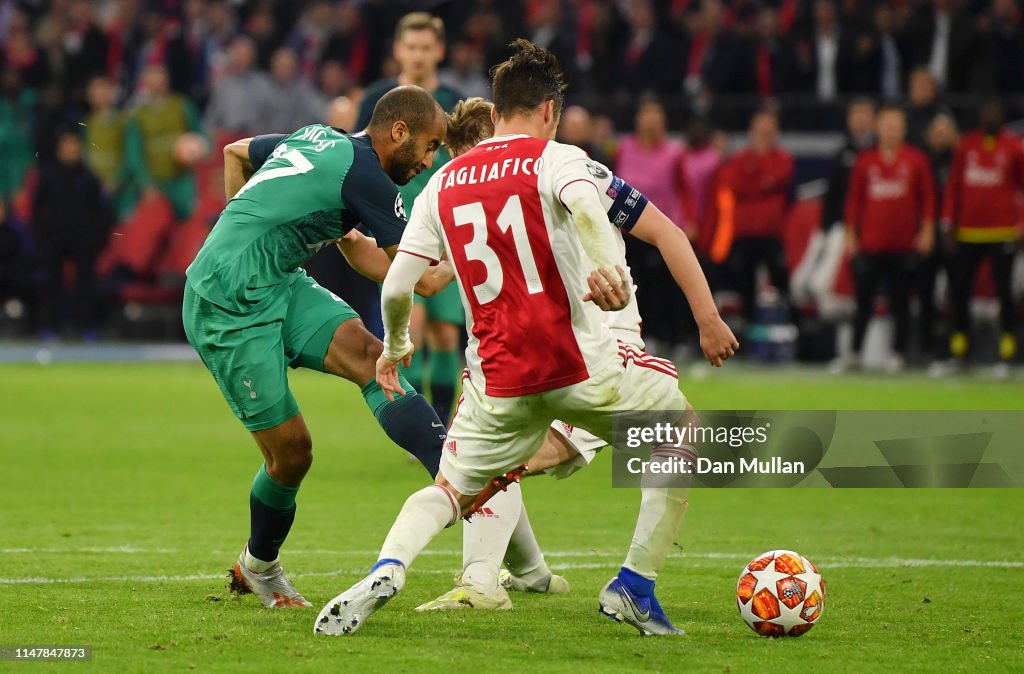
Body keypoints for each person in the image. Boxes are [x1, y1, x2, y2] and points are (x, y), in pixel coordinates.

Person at [314, 39, 737, 639]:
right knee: (681, 436)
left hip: (498, 379)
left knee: (450, 487)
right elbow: (588, 207)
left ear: (491, 110)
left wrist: (395, 345)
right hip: (581, 362)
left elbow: (406, 284)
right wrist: (607, 270)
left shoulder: (445, 182)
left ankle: (391, 567)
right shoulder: (559, 158)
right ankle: (632, 586)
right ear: (548, 111)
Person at [412, 97, 738, 613]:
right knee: (499, 457)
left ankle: (490, 582)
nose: (474, 173)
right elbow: (430, 279)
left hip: (601, 347)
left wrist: (707, 317)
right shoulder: (480, 206)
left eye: (476, 155)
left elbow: (666, 232)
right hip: (537, 351)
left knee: (502, 460)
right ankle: (529, 574)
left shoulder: (577, 173)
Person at [183, 86, 452, 610]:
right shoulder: (368, 175)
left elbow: (235, 152)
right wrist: (471, 254)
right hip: (227, 300)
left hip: (277, 280)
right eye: (428, 146)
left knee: (374, 358)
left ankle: (451, 473)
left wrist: (245, 220)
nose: (427, 161)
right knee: (293, 455)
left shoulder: (319, 139)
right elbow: (418, 280)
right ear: (399, 131)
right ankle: (257, 566)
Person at [356, 12, 465, 424]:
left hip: (447, 229)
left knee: (446, 335)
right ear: (399, 49)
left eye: (426, 47)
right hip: (394, 227)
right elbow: (358, 157)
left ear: (438, 51)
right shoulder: (377, 101)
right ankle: (419, 423)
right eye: (411, 47)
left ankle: (440, 422)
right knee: (411, 329)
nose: (418, 55)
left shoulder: (454, 103)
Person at [839, 105, 935, 373]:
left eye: (897, 124)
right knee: (863, 301)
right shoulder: (865, 161)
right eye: (887, 123)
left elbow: (927, 200)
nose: (892, 129)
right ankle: (855, 353)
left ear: (904, 128)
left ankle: (898, 353)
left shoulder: (917, 160)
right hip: (870, 243)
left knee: (901, 301)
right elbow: (853, 202)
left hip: (903, 245)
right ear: (878, 127)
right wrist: (850, 235)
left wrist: (926, 232)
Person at [940, 99, 1024, 376]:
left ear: (1001, 116)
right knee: (960, 291)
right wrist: (949, 221)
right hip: (968, 232)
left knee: (1004, 294)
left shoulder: (1013, 147)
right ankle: (959, 351)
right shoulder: (966, 146)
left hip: (1002, 232)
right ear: (980, 115)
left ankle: (1007, 354)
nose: (990, 114)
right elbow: (954, 186)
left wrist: (1021, 224)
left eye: (995, 111)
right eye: (986, 110)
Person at [717, 110, 795, 326]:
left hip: (772, 233)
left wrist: (754, 182)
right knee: (745, 286)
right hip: (745, 234)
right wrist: (761, 183)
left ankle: (790, 329)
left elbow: (774, 179)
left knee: (782, 283)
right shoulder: (741, 159)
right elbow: (736, 184)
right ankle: (749, 331)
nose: (764, 133)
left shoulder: (783, 158)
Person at [33, 127, 112, 341]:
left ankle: (87, 327)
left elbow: (102, 211)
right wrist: (44, 234)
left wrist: (96, 238)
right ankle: (52, 327)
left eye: (75, 146)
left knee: (86, 283)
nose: (71, 151)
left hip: (83, 240)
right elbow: (37, 208)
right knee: (53, 284)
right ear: (59, 149)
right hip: (55, 239)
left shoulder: (88, 177)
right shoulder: (49, 175)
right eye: (67, 146)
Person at [795, 98, 875, 306]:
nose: (859, 120)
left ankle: (819, 285)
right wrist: (824, 226)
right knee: (825, 241)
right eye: (855, 115)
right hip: (841, 223)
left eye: (864, 114)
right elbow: (832, 195)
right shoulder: (842, 154)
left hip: (870, 227)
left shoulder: (877, 153)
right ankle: (804, 285)